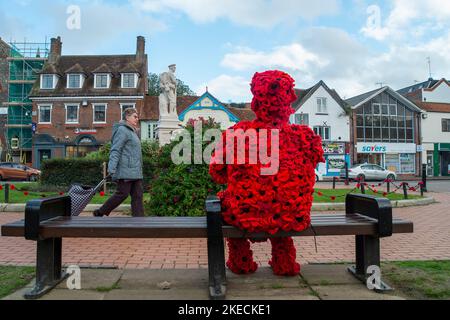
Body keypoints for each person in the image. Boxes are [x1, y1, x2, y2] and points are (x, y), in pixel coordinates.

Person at [93, 108, 144, 217]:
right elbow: (116, 149)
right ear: (127, 117)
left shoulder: (132, 131)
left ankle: (139, 221)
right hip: (126, 170)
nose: (137, 119)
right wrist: (111, 168)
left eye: (137, 117)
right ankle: (100, 212)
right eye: (135, 116)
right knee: (122, 194)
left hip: (136, 170)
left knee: (138, 196)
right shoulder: (122, 130)